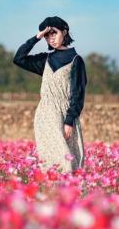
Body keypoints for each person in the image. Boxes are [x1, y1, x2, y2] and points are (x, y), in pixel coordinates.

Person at [12, 16, 87, 173]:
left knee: (69, 160)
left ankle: (69, 195)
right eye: (47, 35)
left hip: (65, 114)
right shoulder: (45, 60)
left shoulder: (76, 60)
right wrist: (36, 38)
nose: (51, 38)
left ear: (64, 32)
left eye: (54, 33)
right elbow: (18, 59)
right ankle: (50, 194)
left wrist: (69, 120)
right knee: (53, 161)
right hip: (46, 114)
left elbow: (78, 93)